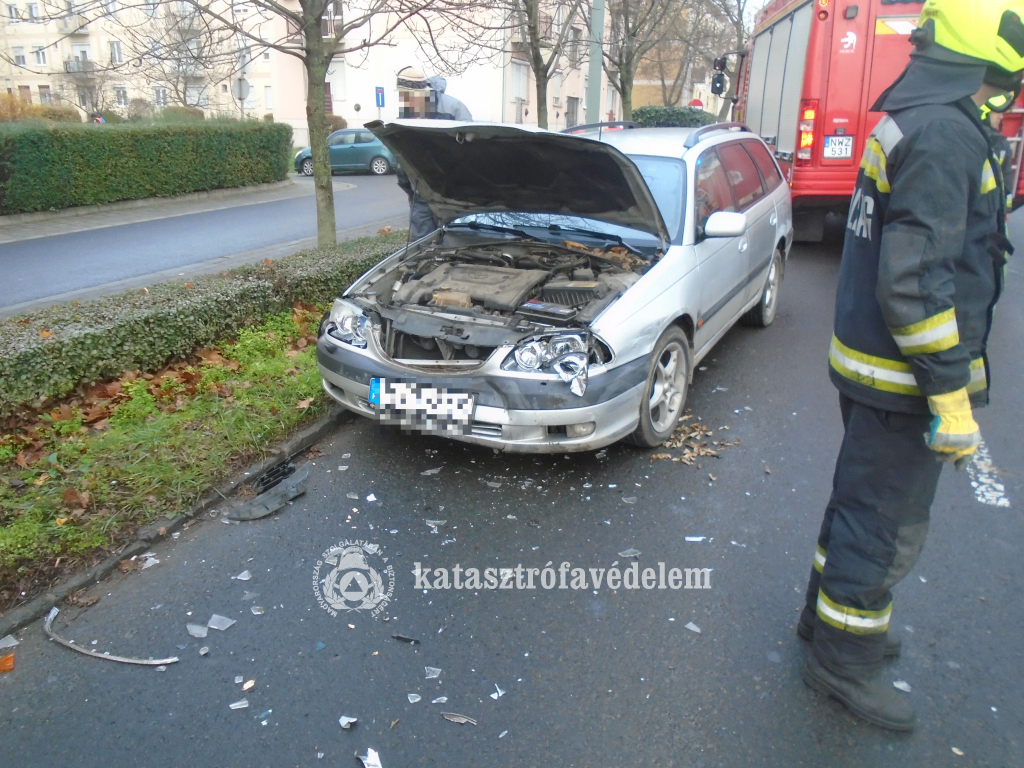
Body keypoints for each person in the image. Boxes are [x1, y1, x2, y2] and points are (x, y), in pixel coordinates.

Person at [798, 0, 1024, 732]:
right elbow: (918, 280)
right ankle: (844, 661)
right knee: (883, 523)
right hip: (904, 380)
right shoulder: (946, 134)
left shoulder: (917, 114)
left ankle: (826, 624)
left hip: (872, 367)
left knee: (856, 505)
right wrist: (950, 393)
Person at [394, 67, 473, 240]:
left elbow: (472, 153)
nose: (404, 101)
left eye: (406, 96)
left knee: (456, 242)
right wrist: (408, 189)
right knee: (421, 248)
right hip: (421, 197)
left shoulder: (454, 109)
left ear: (420, 93)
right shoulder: (406, 116)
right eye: (402, 96)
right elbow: (402, 158)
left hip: (453, 197)